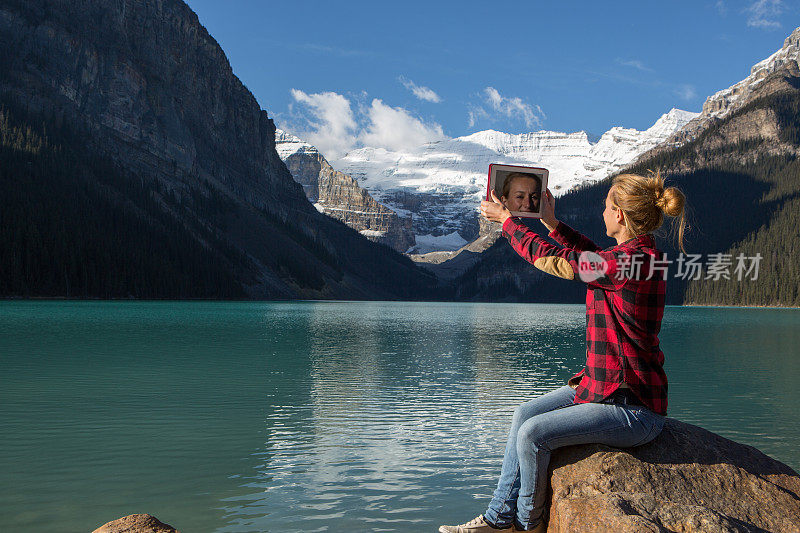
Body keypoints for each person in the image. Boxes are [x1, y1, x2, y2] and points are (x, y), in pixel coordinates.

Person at [438, 171, 687, 533]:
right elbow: (592, 254)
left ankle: (527, 525)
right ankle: (498, 518)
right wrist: (552, 224)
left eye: (606, 207)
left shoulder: (630, 264)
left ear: (620, 215)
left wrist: (509, 223)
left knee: (533, 434)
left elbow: (556, 260)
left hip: (632, 407)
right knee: (524, 413)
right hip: (603, 389)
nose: (602, 213)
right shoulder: (633, 256)